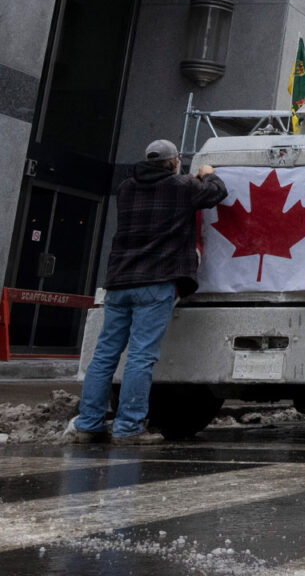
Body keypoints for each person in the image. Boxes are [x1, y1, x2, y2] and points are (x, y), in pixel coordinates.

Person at [66, 139, 227, 445]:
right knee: (140, 357)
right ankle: (128, 427)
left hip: (119, 282)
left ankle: (88, 424)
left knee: (104, 356)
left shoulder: (126, 188)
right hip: (156, 283)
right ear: (174, 162)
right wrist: (207, 172)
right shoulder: (181, 187)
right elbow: (217, 192)